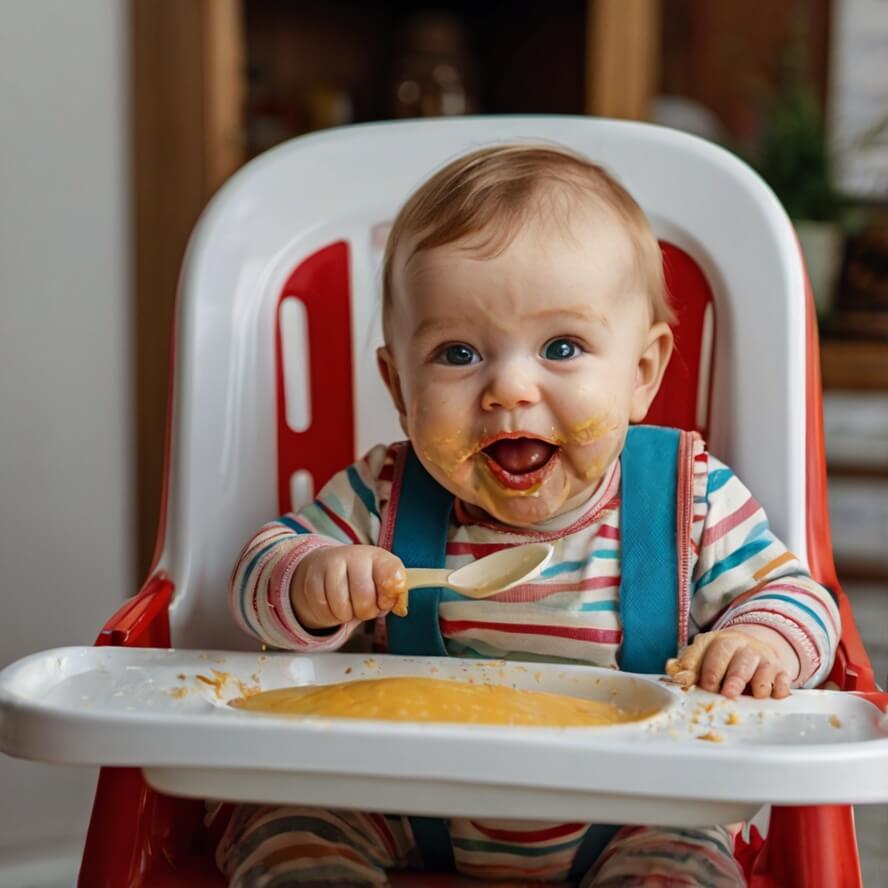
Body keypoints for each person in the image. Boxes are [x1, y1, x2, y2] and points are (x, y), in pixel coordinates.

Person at [213, 144, 840, 887]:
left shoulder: (688, 499)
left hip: (632, 807)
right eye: (456, 353)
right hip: (401, 796)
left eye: (562, 347)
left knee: (681, 866)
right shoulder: (384, 493)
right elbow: (259, 567)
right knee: (286, 831)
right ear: (398, 384)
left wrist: (757, 641)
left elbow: (800, 598)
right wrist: (312, 581)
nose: (509, 386)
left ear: (642, 374)